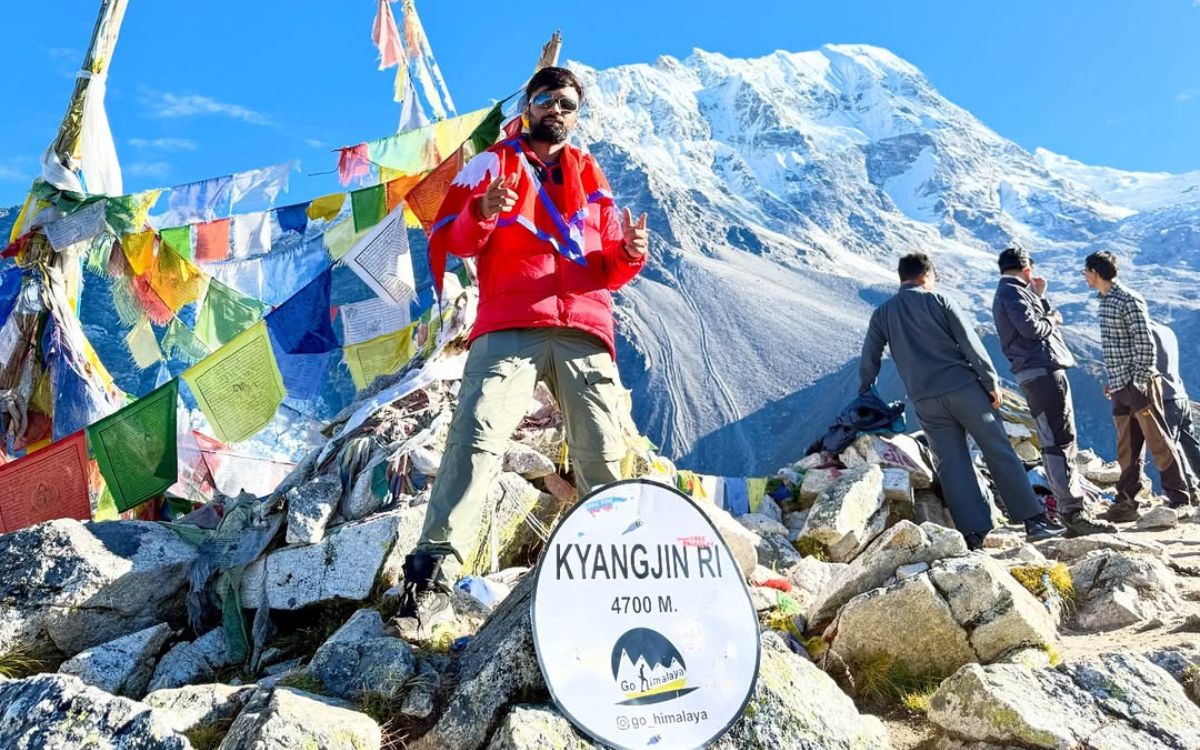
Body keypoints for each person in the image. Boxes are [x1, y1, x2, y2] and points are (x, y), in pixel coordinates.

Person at [395, 67, 649, 633]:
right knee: (476, 437)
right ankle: (430, 574)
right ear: (528, 105)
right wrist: (483, 211)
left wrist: (631, 252)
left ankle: (617, 583)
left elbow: (608, 265)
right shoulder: (493, 164)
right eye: (545, 99)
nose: (556, 109)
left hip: (585, 323)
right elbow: (452, 236)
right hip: (510, 319)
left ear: (576, 114)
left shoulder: (591, 173)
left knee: (603, 454)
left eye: (567, 102)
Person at [860, 252, 1064, 549]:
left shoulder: (882, 314)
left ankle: (973, 535)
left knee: (951, 464)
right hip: (964, 390)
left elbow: (869, 359)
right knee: (998, 450)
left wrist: (865, 392)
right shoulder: (939, 301)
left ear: (902, 277)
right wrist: (991, 382)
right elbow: (971, 344)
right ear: (926, 276)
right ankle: (1033, 521)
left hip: (925, 400)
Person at [991, 247, 1114, 536]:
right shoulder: (1011, 292)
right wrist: (1054, 319)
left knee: (1057, 437)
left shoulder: (1014, 292)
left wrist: (1039, 297)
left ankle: (1069, 508)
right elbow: (1032, 329)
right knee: (1059, 439)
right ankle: (1072, 512)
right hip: (1042, 372)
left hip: (1039, 371)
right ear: (1027, 269)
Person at [1082, 251, 1192, 518]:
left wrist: (1139, 382)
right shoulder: (1104, 301)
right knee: (1127, 446)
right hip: (1120, 385)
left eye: (1085, 271)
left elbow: (1145, 343)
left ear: (1095, 272)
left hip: (1139, 385)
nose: (1085, 276)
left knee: (1158, 441)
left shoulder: (1129, 300)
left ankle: (1180, 498)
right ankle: (1126, 502)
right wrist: (1114, 381)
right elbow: (1119, 347)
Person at [1151, 320, 1200, 500]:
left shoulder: (1145, 334)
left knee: (1169, 447)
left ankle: (1189, 489)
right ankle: (1193, 486)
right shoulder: (1166, 331)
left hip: (1164, 399)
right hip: (1181, 396)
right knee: (1190, 444)